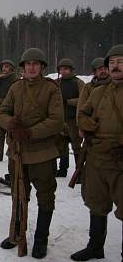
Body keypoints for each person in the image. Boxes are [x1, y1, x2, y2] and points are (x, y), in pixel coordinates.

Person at [0, 48, 63, 259]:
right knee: (18, 194)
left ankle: (41, 239)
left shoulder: (52, 89)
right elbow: (1, 113)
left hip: (42, 153)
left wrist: (30, 132)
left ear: (42, 67)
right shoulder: (16, 88)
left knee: (45, 197)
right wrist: (11, 124)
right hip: (17, 153)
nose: (31, 67)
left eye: (36, 64)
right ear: (23, 67)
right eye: (28, 64)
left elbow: (56, 120)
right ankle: (16, 234)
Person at [72, 44, 123, 261]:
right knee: (96, 203)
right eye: (111, 62)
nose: (115, 66)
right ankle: (95, 246)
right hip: (95, 157)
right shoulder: (99, 91)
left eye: (120, 61)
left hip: (120, 159)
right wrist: (85, 124)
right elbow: (82, 113)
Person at [55, 58, 85, 177]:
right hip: (61, 119)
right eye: (61, 69)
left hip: (74, 120)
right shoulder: (56, 82)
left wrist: (68, 101)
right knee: (62, 146)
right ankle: (62, 170)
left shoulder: (78, 82)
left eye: (66, 69)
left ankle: (79, 172)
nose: (64, 71)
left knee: (76, 146)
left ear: (71, 70)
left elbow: (84, 100)